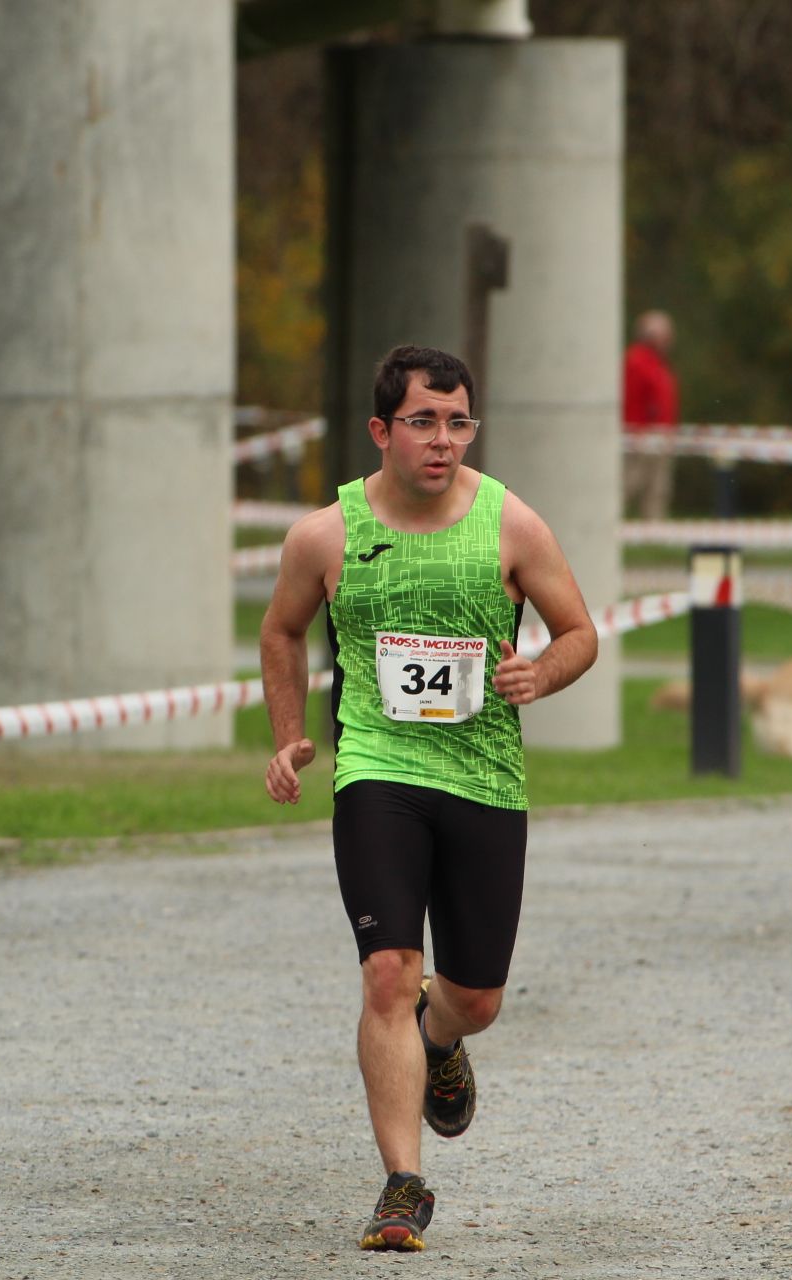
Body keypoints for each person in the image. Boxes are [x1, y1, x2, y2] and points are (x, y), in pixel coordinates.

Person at [260, 345, 598, 1253]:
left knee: (477, 995)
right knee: (386, 973)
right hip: (378, 769)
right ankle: (403, 1185)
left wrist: (541, 672)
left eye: (458, 423)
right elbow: (283, 630)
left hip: (484, 776)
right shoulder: (324, 535)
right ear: (382, 431)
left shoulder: (510, 524)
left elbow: (580, 633)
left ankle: (441, 1040)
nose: (442, 440)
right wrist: (290, 734)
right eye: (423, 422)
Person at [621, 309, 680, 521]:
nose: (669, 341)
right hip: (640, 440)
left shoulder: (658, 363)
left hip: (658, 440)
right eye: (664, 336)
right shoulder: (637, 361)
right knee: (628, 486)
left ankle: (654, 533)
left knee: (657, 491)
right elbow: (633, 400)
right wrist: (636, 434)